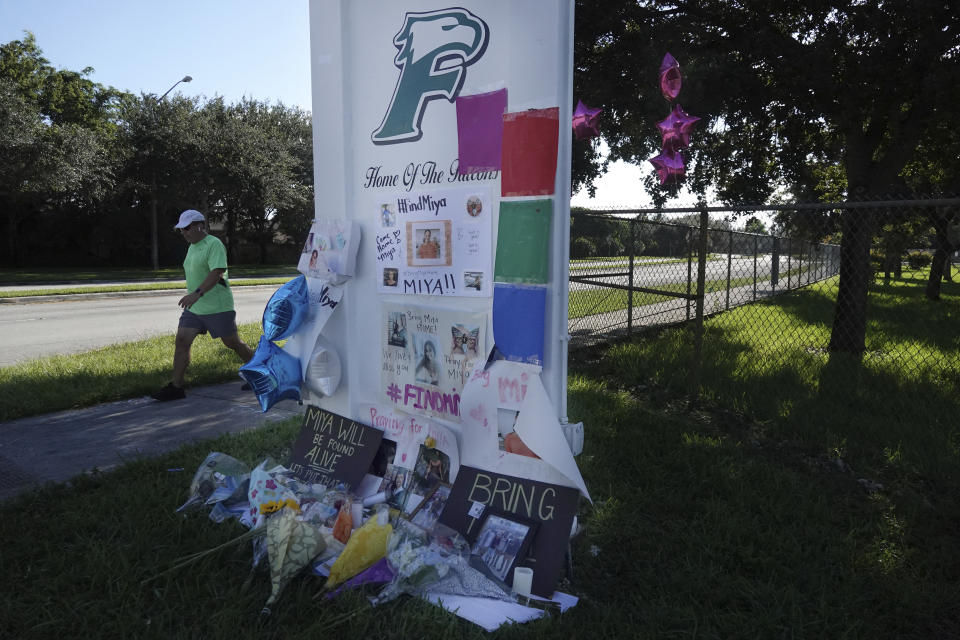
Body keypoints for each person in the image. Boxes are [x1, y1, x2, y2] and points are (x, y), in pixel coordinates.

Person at [152, 209, 255, 401]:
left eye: (187, 228)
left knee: (232, 343)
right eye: (181, 229)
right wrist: (194, 298)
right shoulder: (192, 246)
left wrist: (197, 294)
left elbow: (217, 272)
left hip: (217, 305)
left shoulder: (213, 244)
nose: (184, 233)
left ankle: (261, 374)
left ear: (200, 225)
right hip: (196, 307)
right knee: (182, 340)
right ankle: (176, 387)